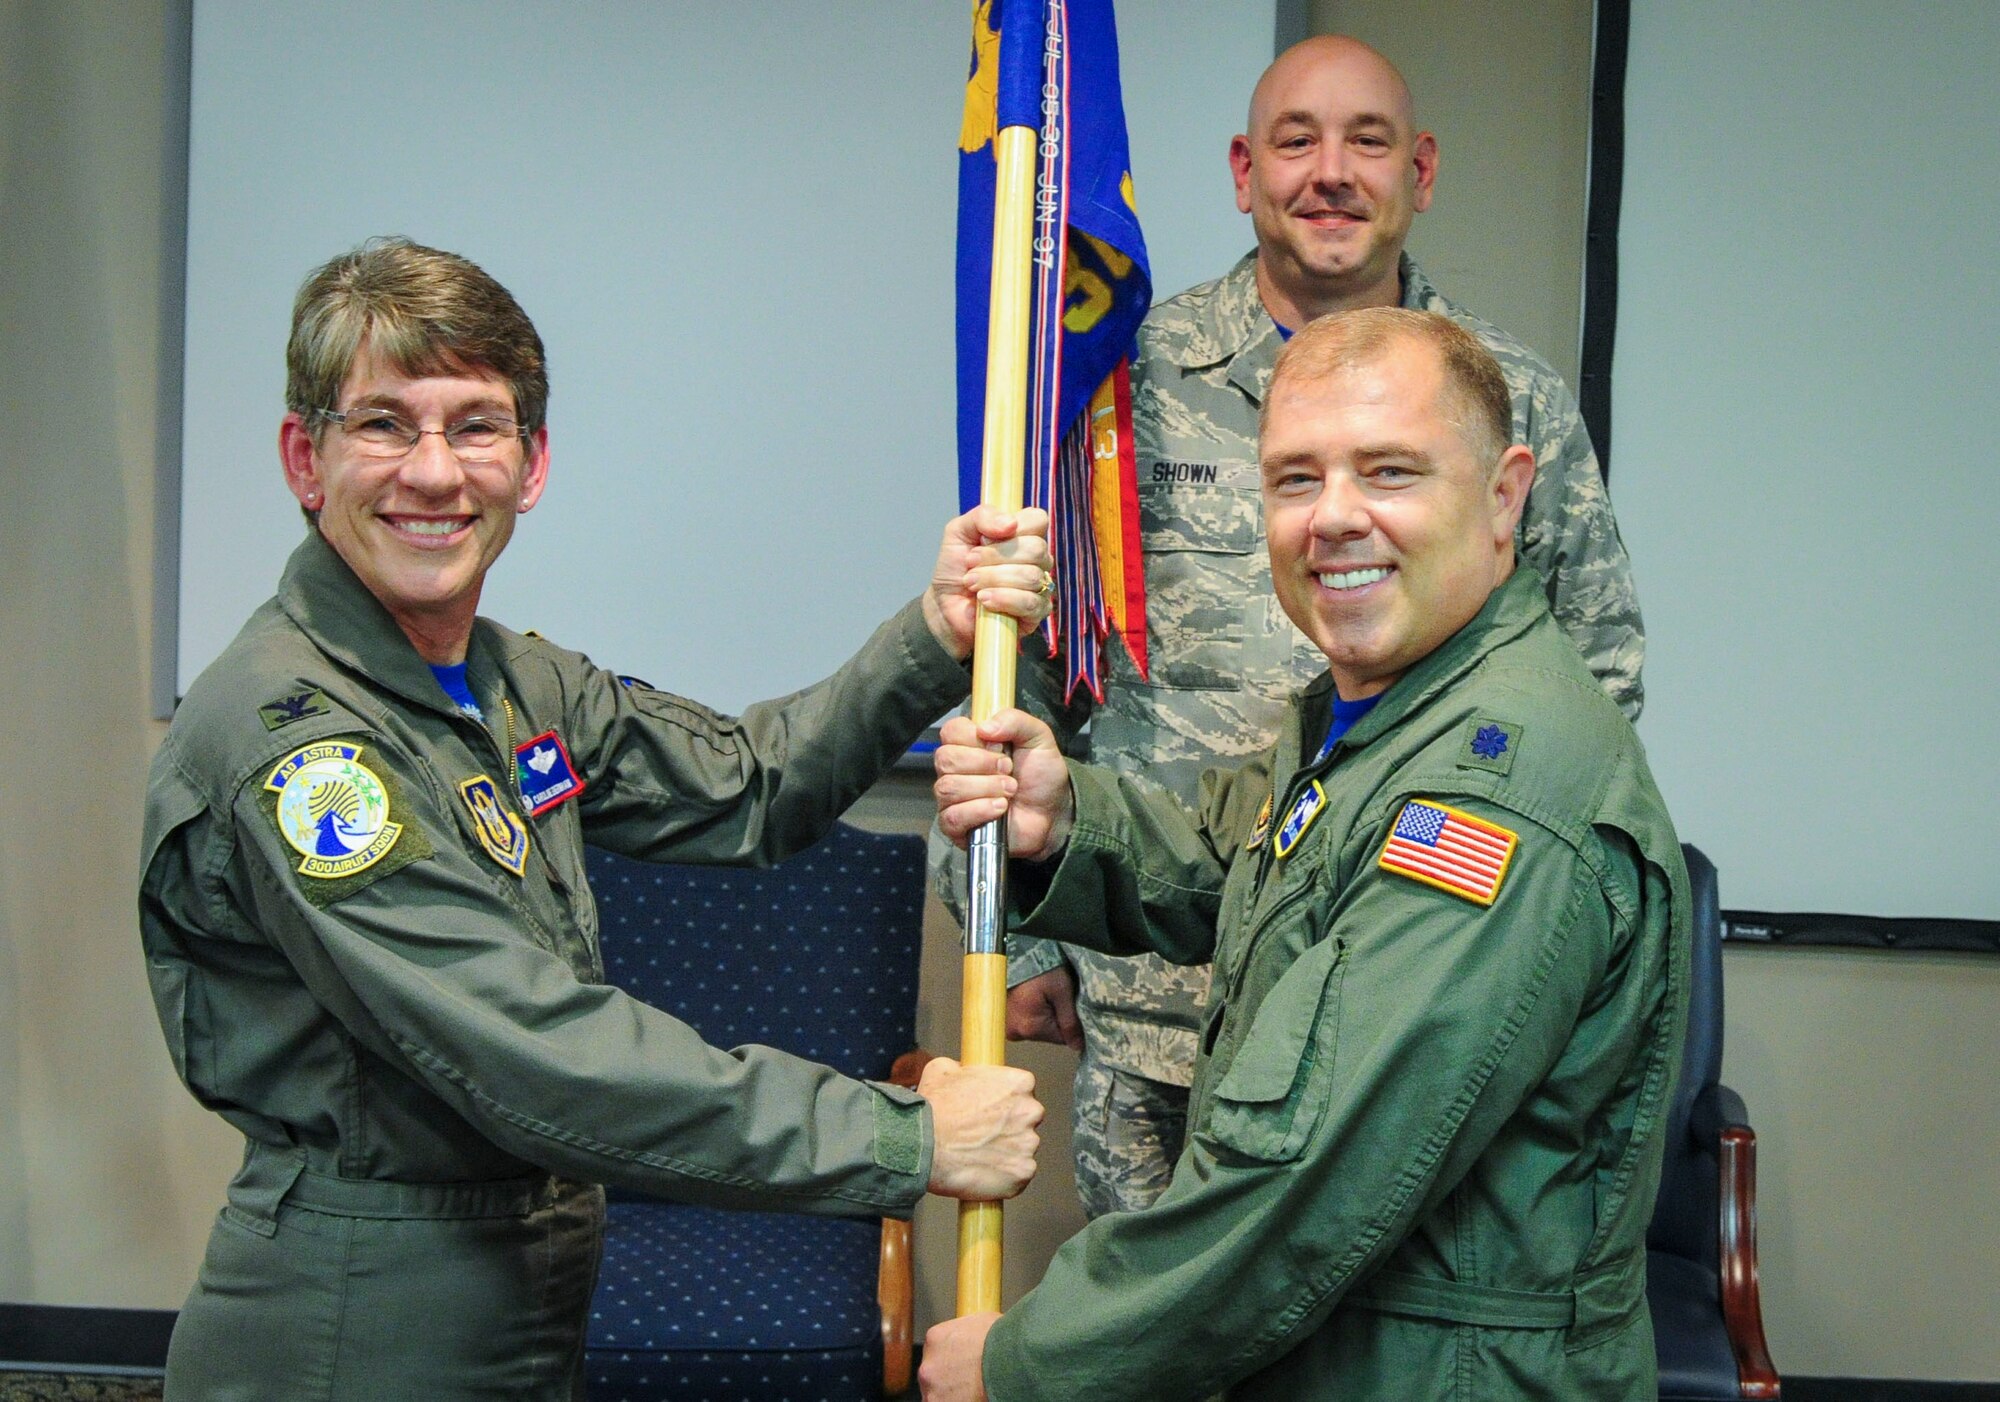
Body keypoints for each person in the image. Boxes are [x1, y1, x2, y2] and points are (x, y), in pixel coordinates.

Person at [139, 237, 1052, 1400]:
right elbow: (532, 1051)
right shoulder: (299, 743)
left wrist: (933, 632)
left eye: (475, 424)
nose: (433, 470)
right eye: (382, 423)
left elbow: (749, 785)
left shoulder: (510, 683)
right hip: (360, 1327)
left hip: (526, 1290)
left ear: (530, 464)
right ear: (303, 459)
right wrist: (901, 1136)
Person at [944, 33, 1649, 1221]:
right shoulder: (1115, 375)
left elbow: (1598, 676)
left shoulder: (1507, 397)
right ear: (1241, 171)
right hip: (1154, 999)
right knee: (1146, 1338)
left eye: (1366, 141)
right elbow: (1029, 649)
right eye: (1296, 140)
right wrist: (1024, 934)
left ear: (1418, 171)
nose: (1331, 171)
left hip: (1401, 1003)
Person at [923, 308, 1687, 1401]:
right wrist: (1063, 814)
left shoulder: (1492, 788)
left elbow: (1304, 1179)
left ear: (1505, 494)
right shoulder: (1378, 708)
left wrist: (1024, 1360)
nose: (1331, 518)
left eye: (1386, 471)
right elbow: (1246, 858)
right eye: (1292, 479)